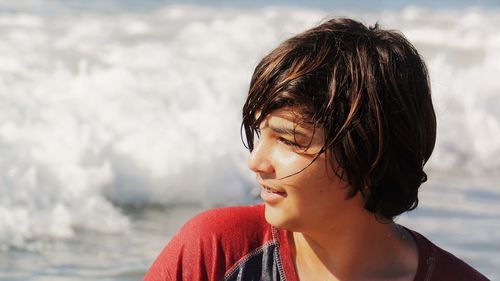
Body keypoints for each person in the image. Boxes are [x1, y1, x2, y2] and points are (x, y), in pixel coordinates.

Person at [144, 18, 489, 281]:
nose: (256, 161)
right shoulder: (219, 250)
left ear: (369, 154)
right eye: (259, 134)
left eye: (288, 140)